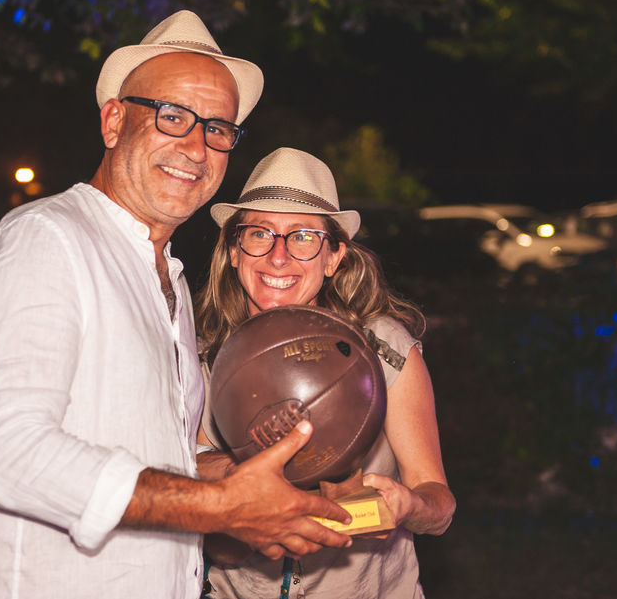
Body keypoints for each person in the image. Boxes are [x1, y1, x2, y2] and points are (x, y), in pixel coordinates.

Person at [0, 12, 353, 599]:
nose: (196, 147)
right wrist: (222, 505)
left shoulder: (169, 281)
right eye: (172, 116)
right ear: (113, 122)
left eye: (218, 129)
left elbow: (163, 456)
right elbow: (5, 451)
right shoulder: (46, 240)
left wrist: (252, 485)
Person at [195, 147, 457, 599]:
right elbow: (216, 537)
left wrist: (409, 505)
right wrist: (243, 482)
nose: (278, 257)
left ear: (334, 257)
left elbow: (439, 506)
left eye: (302, 237)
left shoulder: (382, 350)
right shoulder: (201, 358)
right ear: (235, 251)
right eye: (259, 233)